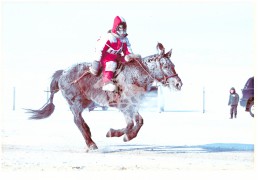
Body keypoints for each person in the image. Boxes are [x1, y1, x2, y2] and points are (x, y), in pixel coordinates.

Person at [89, 16, 141, 91]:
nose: (122, 30)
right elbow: (99, 49)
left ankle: (132, 81)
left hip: (117, 56)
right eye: (120, 28)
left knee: (129, 62)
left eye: (123, 28)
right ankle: (106, 83)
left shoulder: (124, 39)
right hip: (106, 57)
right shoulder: (108, 38)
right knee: (111, 64)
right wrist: (96, 62)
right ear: (116, 27)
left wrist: (129, 55)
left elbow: (127, 49)